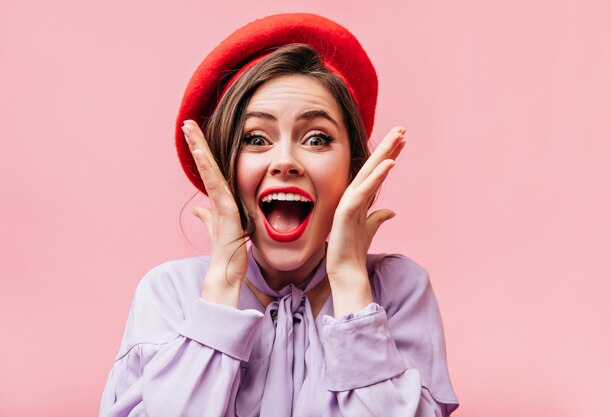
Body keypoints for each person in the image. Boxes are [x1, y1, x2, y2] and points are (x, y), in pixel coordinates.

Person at [99, 13, 459, 417]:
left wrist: (351, 286)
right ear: (225, 168)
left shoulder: (398, 289)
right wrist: (220, 290)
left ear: (353, 172)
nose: (285, 161)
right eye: (255, 139)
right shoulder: (169, 293)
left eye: (317, 138)